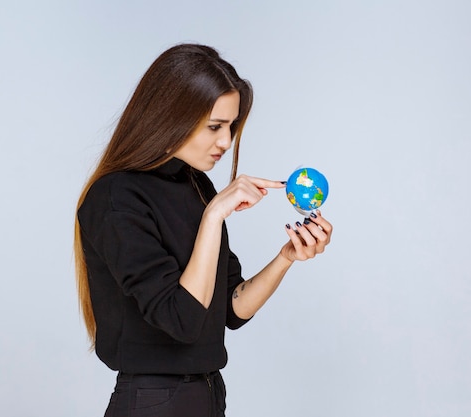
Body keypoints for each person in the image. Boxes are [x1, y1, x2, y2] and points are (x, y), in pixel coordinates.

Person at [73, 43, 333, 417]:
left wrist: (285, 258)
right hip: (154, 401)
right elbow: (182, 319)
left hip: (207, 394)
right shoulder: (116, 197)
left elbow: (231, 308)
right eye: (214, 126)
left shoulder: (196, 184)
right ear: (169, 116)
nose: (226, 142)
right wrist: (213, 216)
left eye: (231, 126)